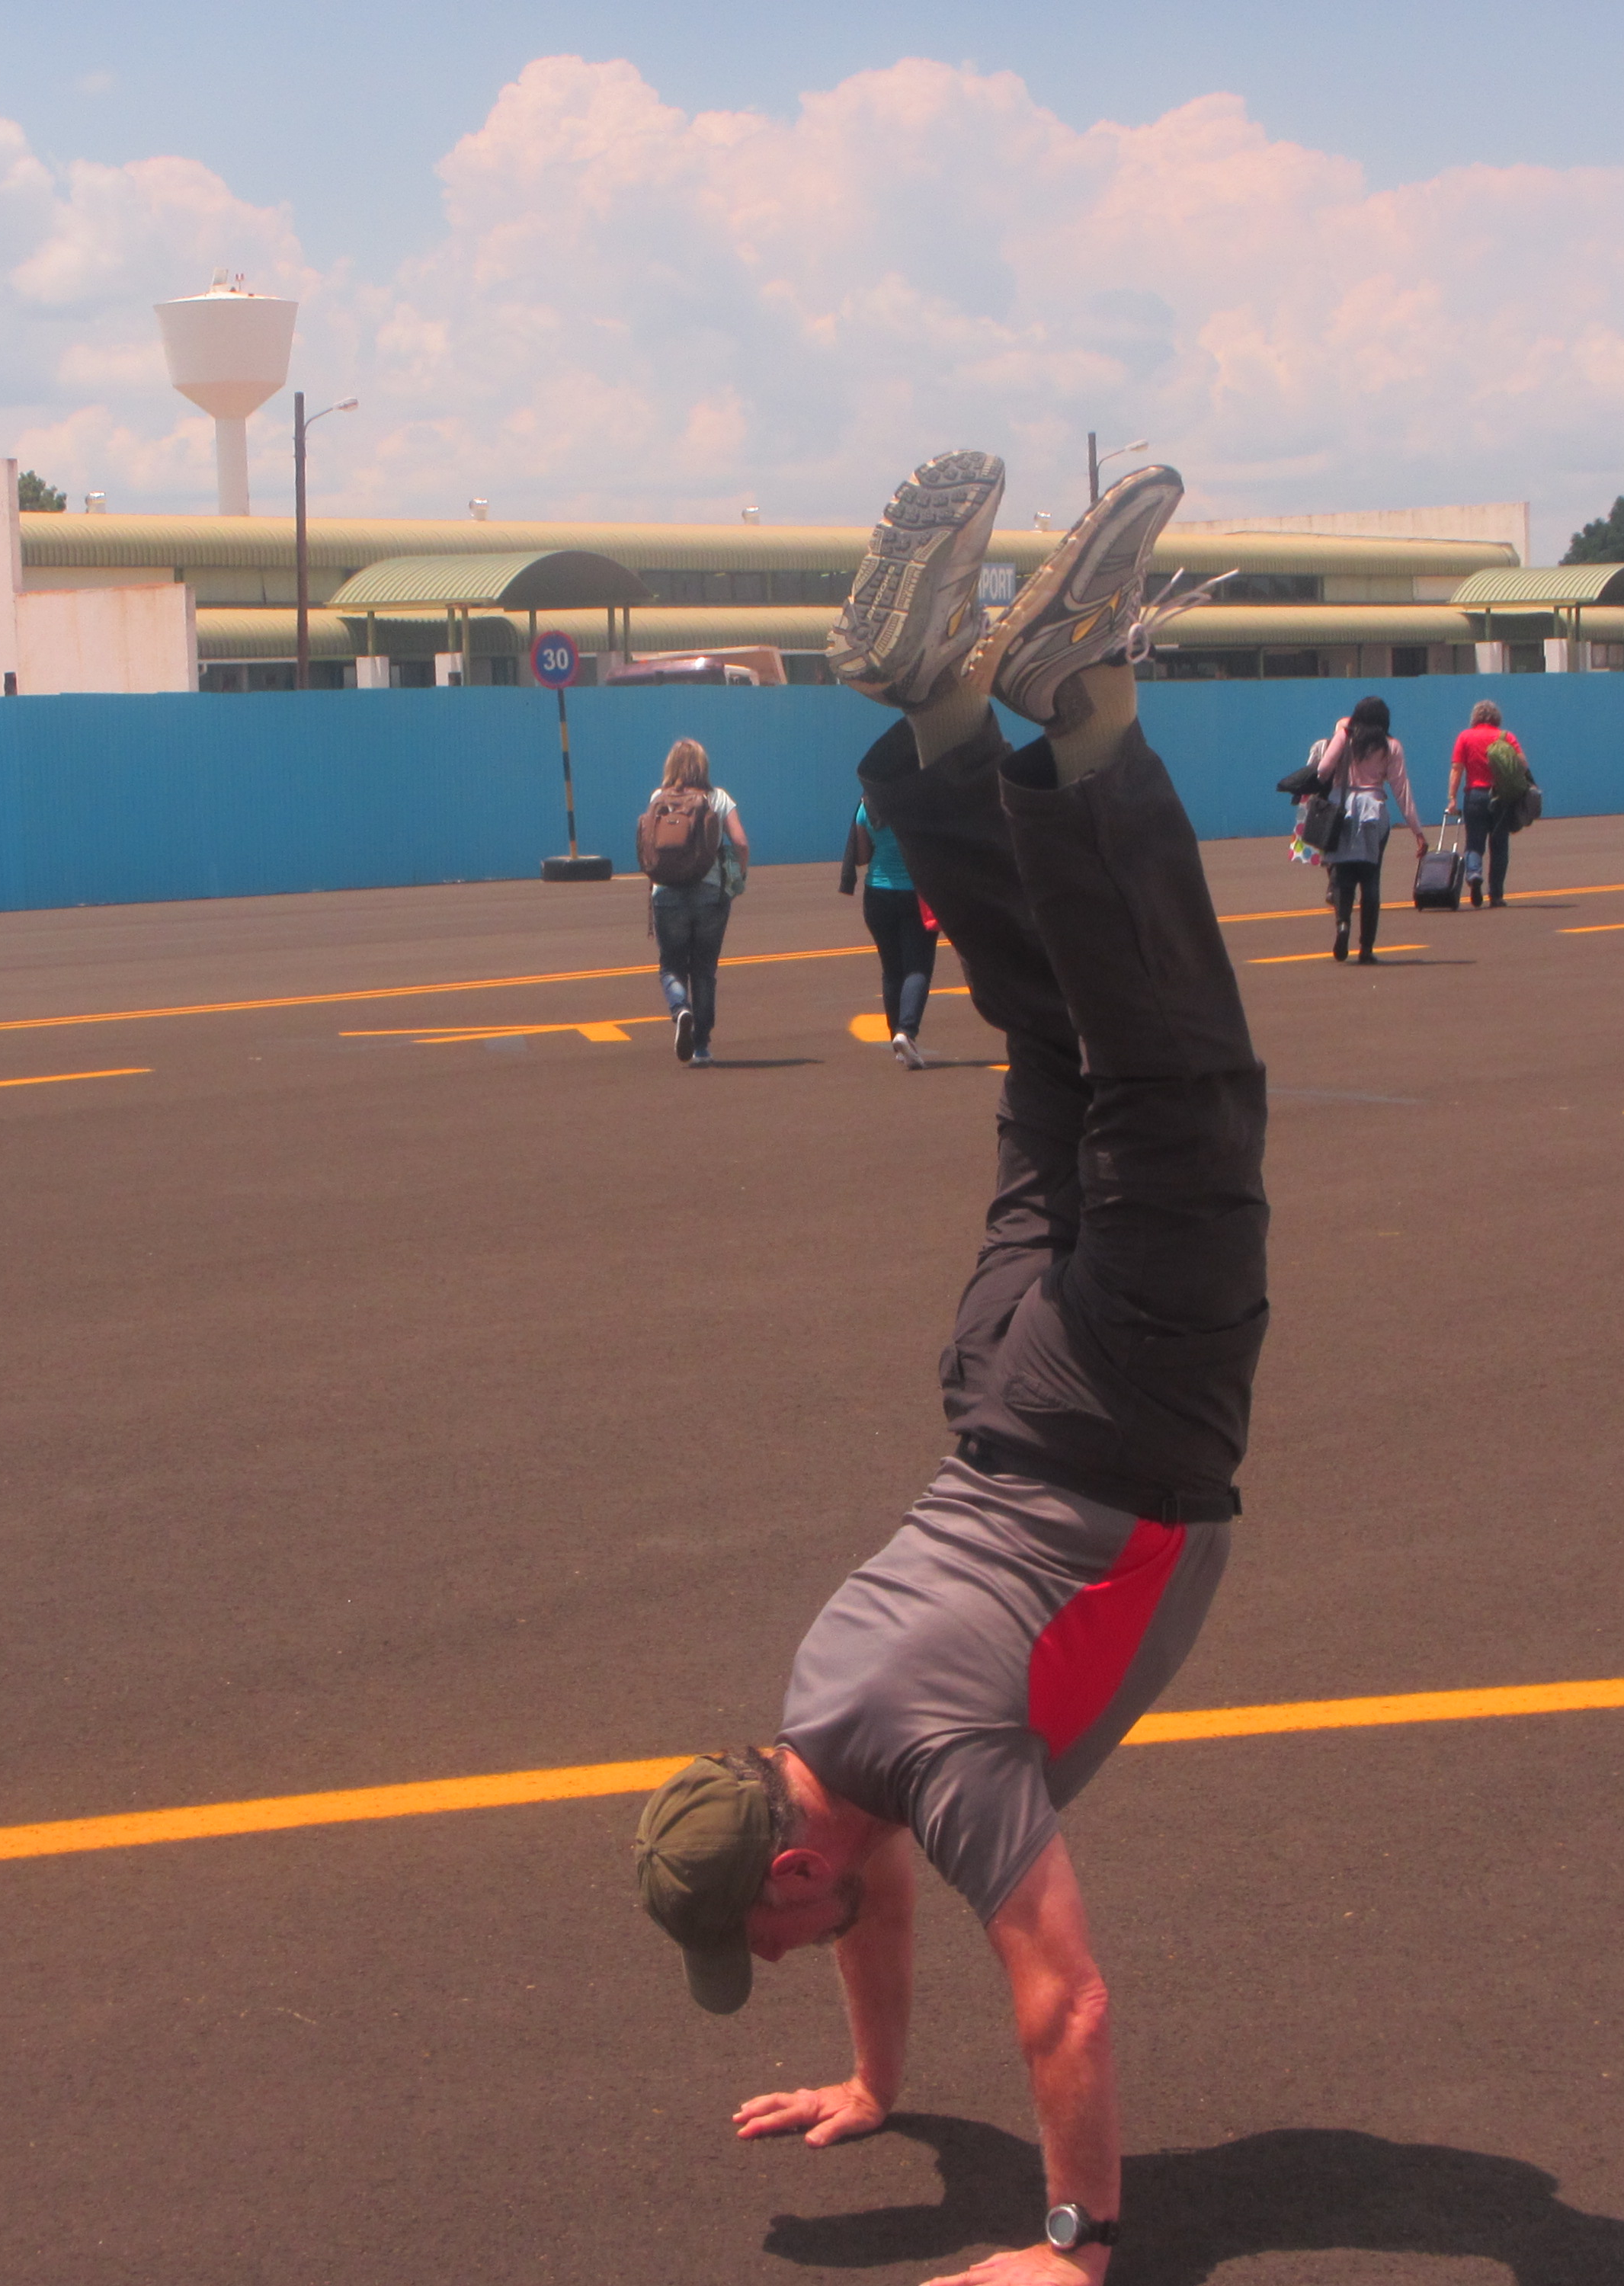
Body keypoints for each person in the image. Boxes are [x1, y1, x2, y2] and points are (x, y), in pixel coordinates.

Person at [637, 448, 1267, 2286]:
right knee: (1057, 1047)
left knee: (1172, 1072)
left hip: (1116, 1416)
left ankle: (1077, 707)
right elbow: (876, 1899)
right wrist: (872, 2085)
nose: (765, 1960)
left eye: (754, 1943)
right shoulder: (822, 1709)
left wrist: (1071, 2246)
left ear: (787, 1864)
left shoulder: (931, 1751)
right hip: (996, 1382)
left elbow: (1064, 1997)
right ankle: (930, 720)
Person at [644, 738, 748, 1065]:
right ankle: (702, 1046)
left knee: (671, 965)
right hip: (710, 894)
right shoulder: (718, 798)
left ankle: (680, 1009)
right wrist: (738, 876)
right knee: (704, 970)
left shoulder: (658, 799)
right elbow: (741, 843)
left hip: (666, 893)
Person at [1306, 695, 1426, 960]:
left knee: (1343, 874)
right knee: (1370, 879)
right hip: (1374, 811)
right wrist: (1417, 831)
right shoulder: (1391, 746)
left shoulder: (1344, 737)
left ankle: (1342, 924)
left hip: (1342, 811)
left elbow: (1323, 770)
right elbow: (1402, 791)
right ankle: (1367, 948)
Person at [843, 794, 938, 1066]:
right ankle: (906, 1031)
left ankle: (898, 1041)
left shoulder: (867, 803)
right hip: (916, 896)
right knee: (917, 967)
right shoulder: (921, 803)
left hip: (877, 894)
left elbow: (862, 856)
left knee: (892, 970)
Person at [1443, 699, 1516, 908]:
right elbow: (1521, 764)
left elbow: (1457, 768)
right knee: (1500, 845)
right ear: (1496, 717)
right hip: (1501, 796)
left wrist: (1452, 798)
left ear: (1475, 717)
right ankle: (1496, 895)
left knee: (1474, 842)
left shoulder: (1465, 737)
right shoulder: (1506, 737)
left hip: (1475, 796)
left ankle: (1474, 874)